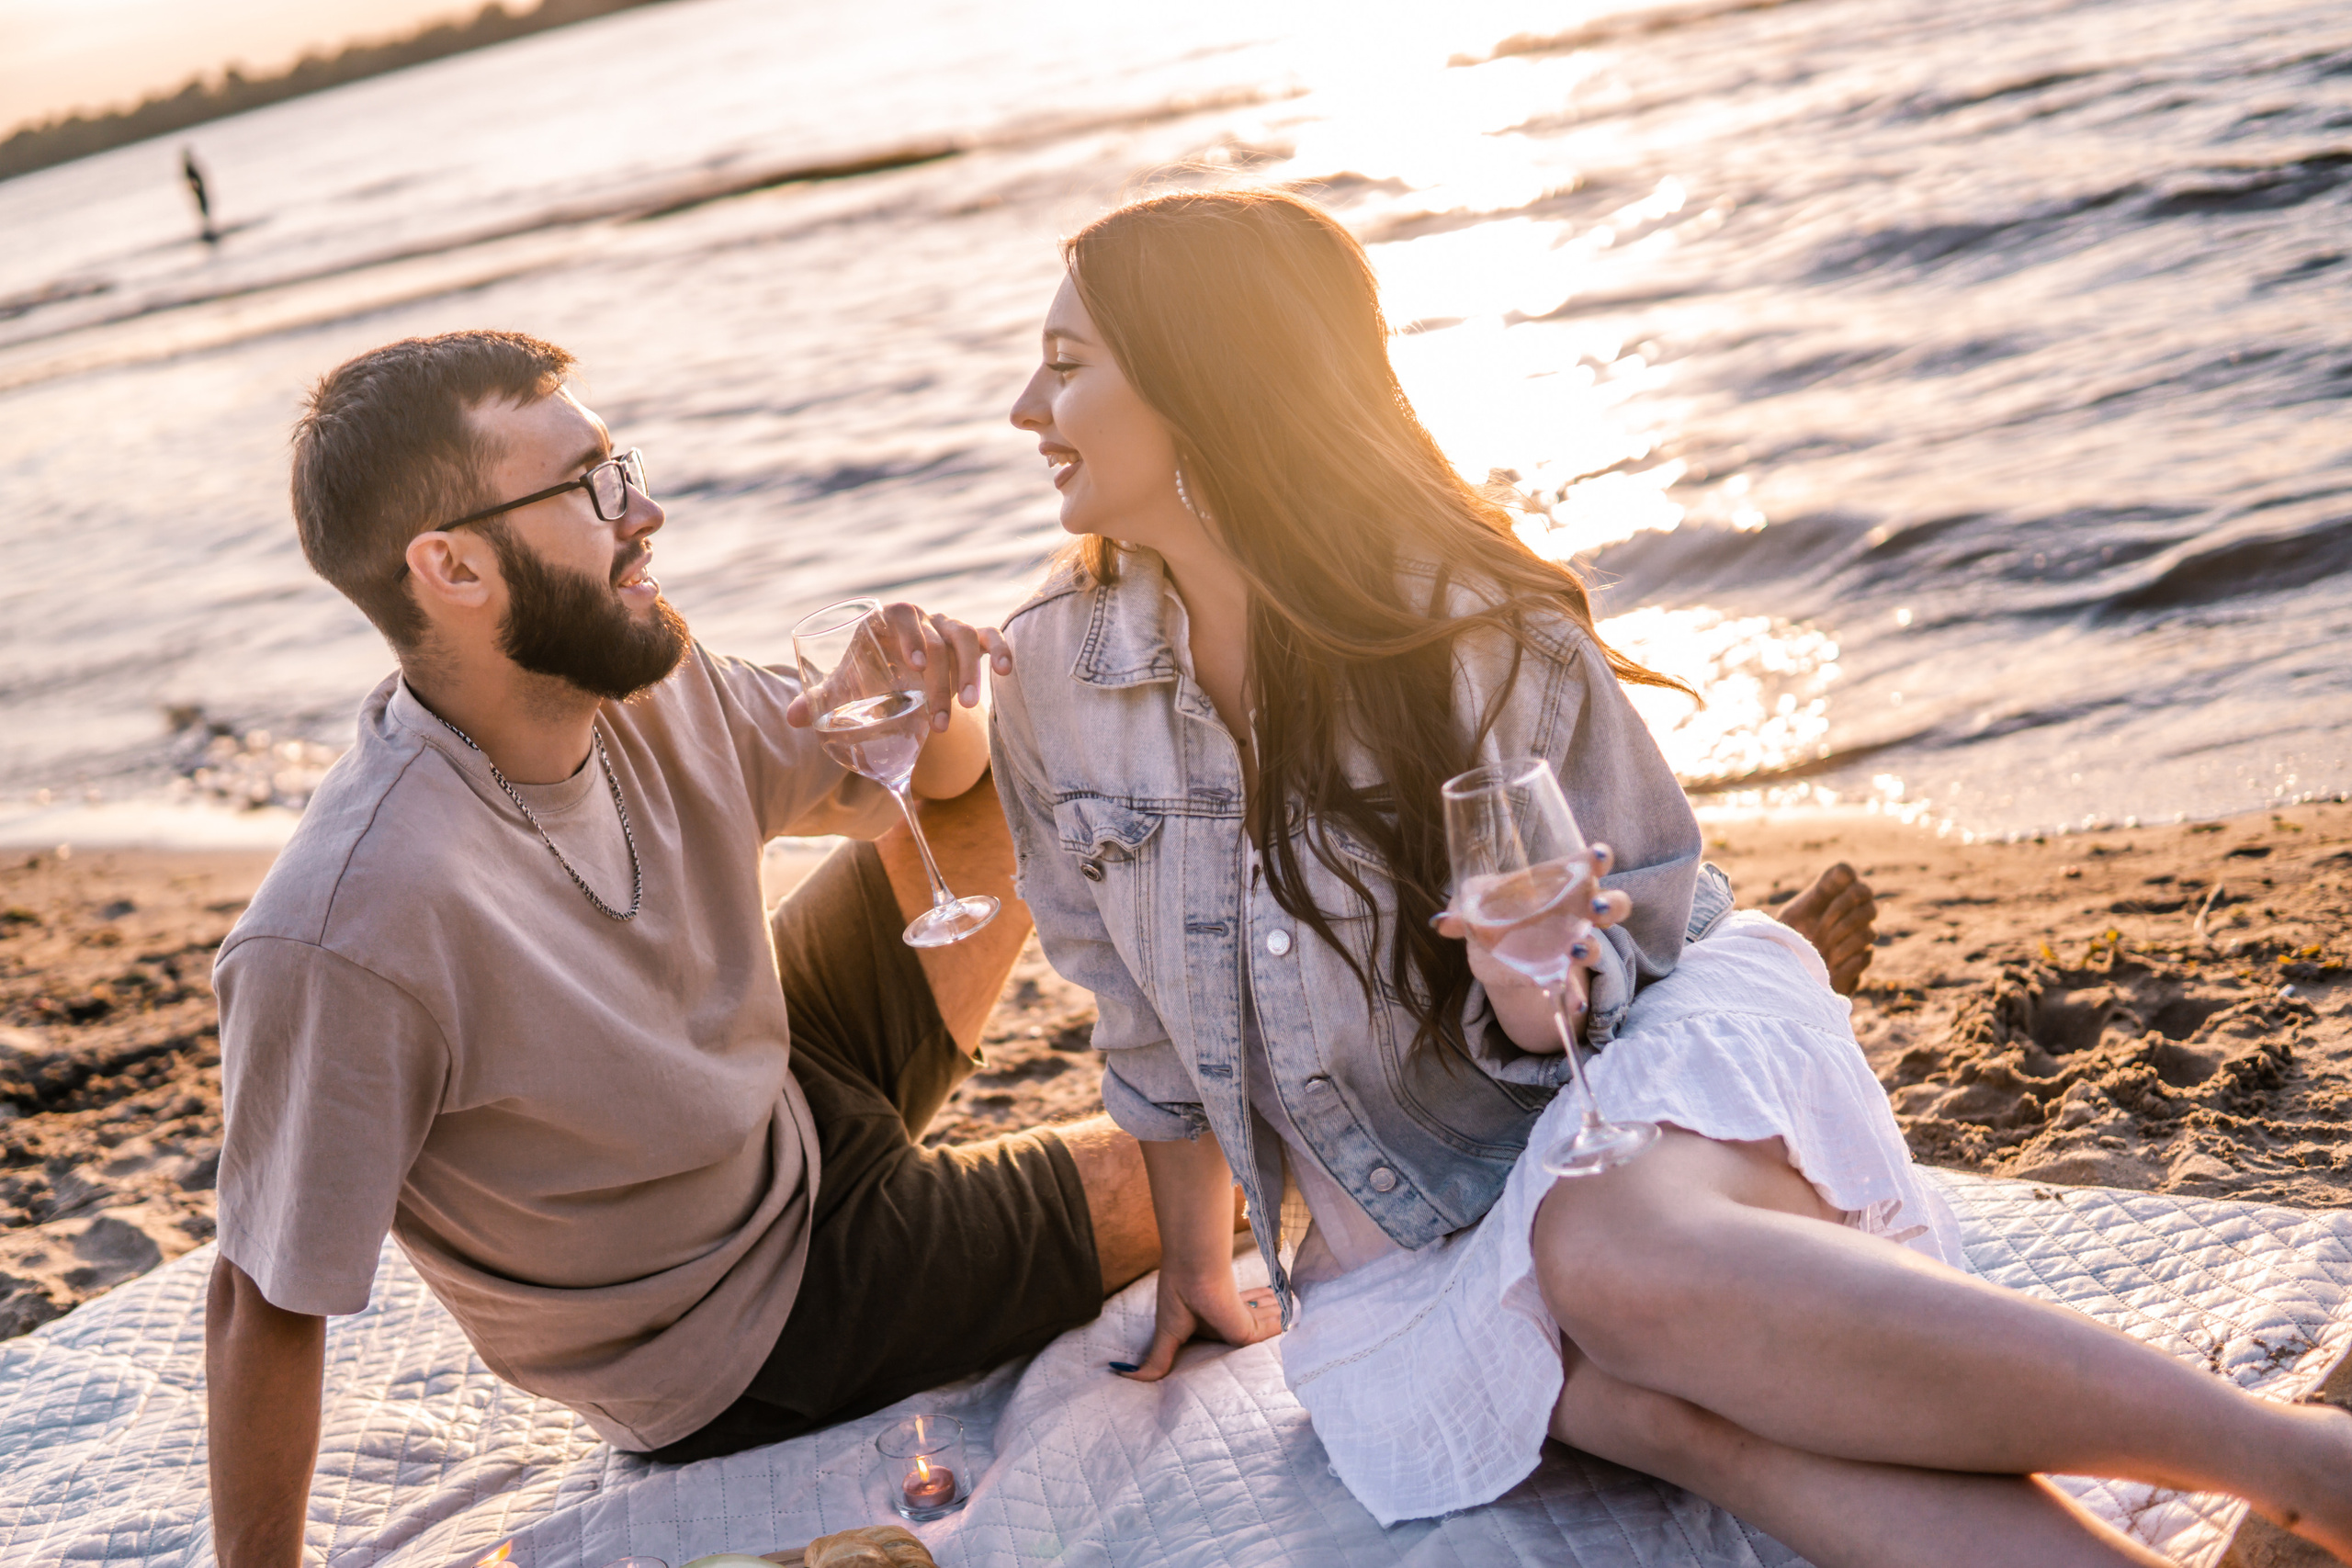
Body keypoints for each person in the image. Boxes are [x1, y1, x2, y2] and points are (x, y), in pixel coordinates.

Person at [988, 189, 2352, 1567]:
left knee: (1603, 1265)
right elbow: (1140, 1017)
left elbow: (1601, 979)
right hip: (1401, 1237)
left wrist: (1531, 977)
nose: (1025, 410)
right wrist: (1198, 1267)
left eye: (1065, 366)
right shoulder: (1050, 675)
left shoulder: (1475, 627)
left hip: (1633, 1077)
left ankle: (2299, 1463)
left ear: (1207, 379)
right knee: (1665, 1416)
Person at [205, 330, 1163, 1568]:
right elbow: (263, 1298)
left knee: (1023, 736)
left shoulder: (642, 681)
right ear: (452, 566)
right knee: (1226, 1161)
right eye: (589, 489)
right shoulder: (346, 928)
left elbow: (956, 790)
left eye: (625, 469)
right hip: (742, 1326)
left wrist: (920, 702)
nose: (644, 513)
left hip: (780, 1103)